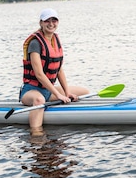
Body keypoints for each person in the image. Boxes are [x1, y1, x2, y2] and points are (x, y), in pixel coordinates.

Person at [19, 8, 88, 136]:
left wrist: (67, 93)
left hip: (48, 91)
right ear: (41, 23)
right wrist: (59, 95)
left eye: (54, 20)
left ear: (58, 22)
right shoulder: (35, 44)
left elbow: (59, 70)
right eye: (47, 21)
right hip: (31, 91)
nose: (51, 24)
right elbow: (39, 74)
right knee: (39, 100)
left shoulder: (55, 40)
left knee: (84, 91)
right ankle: (36, 135)